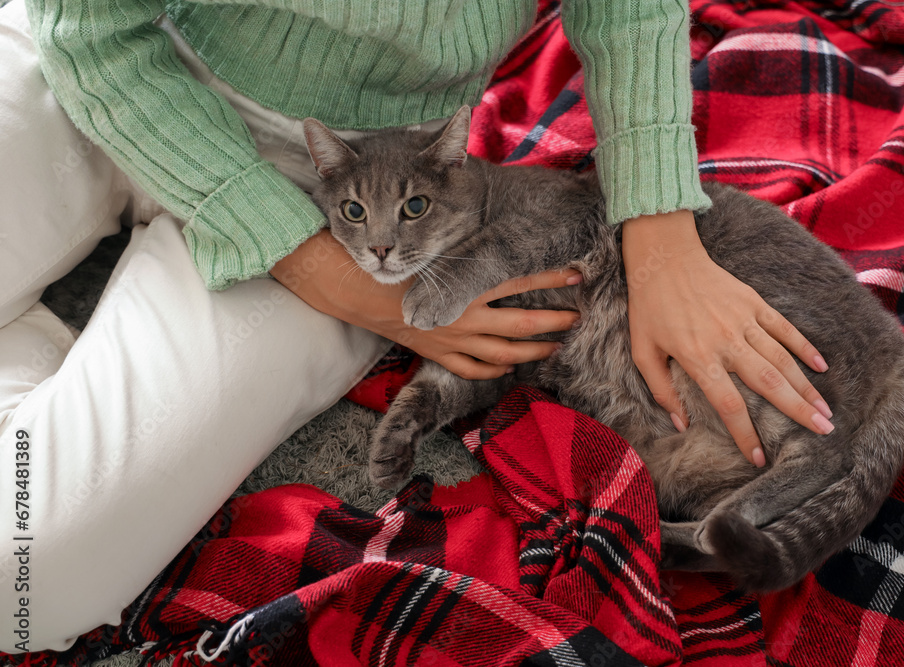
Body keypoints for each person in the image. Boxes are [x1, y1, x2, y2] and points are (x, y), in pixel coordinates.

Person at [0, 0, 832, 654]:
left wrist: (659, 227)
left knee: (23, 575)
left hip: (351, 181)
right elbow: (91, 23)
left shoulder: (399, 227)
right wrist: (329, 278)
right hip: (114, 59)